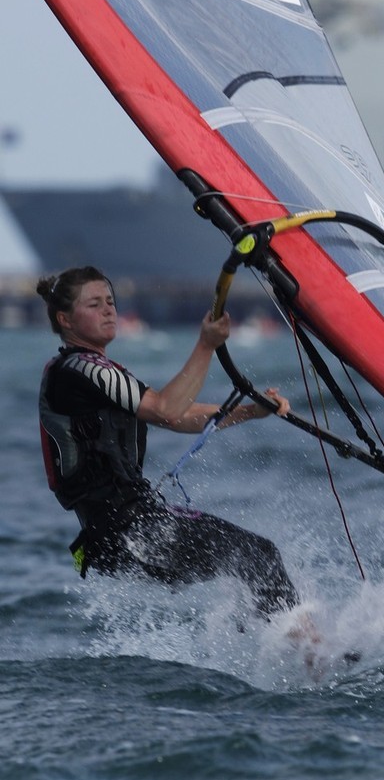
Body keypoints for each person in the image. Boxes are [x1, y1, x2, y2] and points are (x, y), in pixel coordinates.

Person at [37, 265, 301, 622]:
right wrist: (206, 344)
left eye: (111, 301)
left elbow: (177, 416)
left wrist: (251, 412)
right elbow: (165, 409)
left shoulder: (92, 370)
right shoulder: (82, 371)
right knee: (259, 557)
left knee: (250, 563)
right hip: (128, 531)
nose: (109, 310)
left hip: (124, 532)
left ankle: (276, 643)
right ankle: (308, 652)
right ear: (65, 319)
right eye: (94, 304)